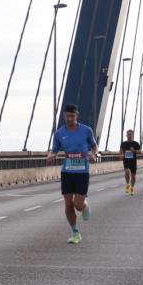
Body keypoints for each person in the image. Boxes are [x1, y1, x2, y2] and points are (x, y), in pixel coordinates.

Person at [47, 104, 98, 244]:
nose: (69, 118)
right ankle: (75, 232)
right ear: (64, 116)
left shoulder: (87, 130)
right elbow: (54, 150)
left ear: (77, 116)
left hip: (82, 172)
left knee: (77, 205)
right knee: (68, 204)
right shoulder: (59, 133)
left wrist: (94, 155)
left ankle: (84, 206)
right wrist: (51, 155)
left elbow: (94, 146)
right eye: (67, 116)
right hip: (67, 172)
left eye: (72, 116)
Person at [120, 130, 142, 195]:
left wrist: (134, 151)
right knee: (127, 172)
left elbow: (140, 152)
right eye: (128, 134)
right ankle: (127, 184)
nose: (129, 136)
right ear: (126, 135)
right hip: (126, 161)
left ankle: (132, 188)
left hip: (133, 161)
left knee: (133, 176)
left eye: (131, 134)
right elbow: (121, 151)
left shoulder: (136, 143)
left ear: (133, 135)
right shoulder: (123, 143)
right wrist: (121, 155)